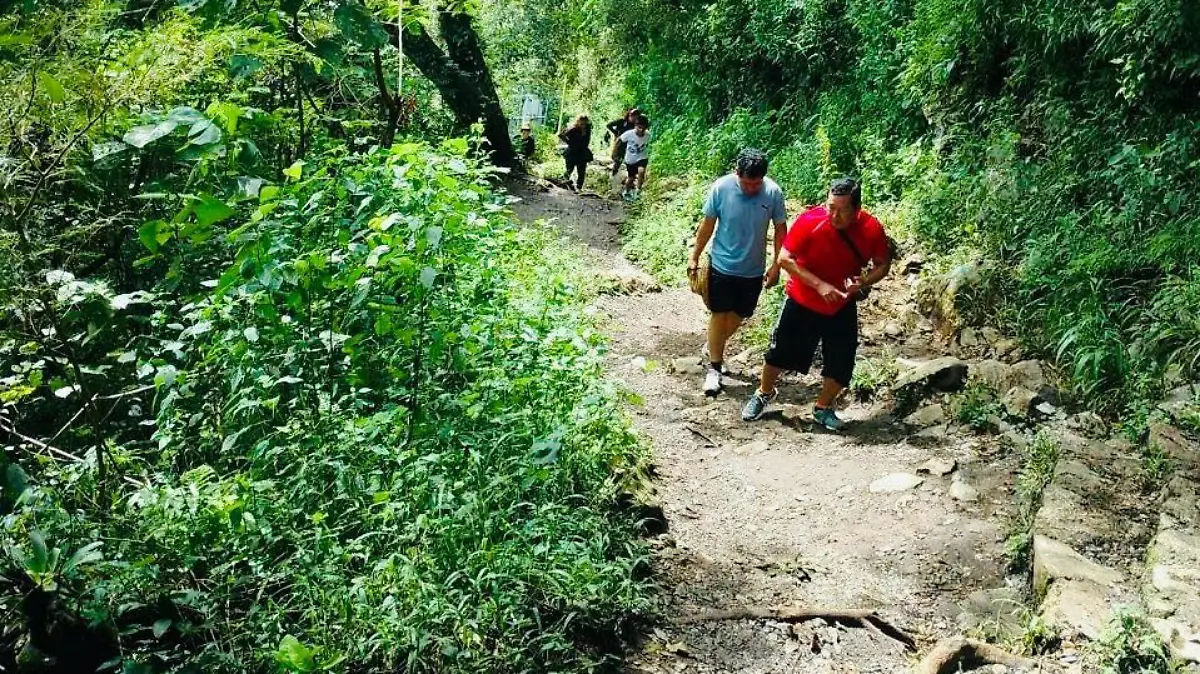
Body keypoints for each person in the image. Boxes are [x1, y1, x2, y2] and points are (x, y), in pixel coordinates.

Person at [741, 177, 893, 430]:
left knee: (841, 362)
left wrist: (864, 281)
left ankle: (823, 407)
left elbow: (882, 264)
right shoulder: (811, 221)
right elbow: (785, 259)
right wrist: (819, 285)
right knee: (778, 353)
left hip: (841, 305)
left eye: (842, 210)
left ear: (857, 209)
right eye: (830, 207)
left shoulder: (871, 229)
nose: (834, 215)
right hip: (802, 299)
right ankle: (764, 392)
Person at [688, 148, 788, 395]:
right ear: (737, 174)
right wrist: (694, 256)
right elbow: (708, 225)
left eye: (756, 183)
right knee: (719, 313)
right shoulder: (721, 188)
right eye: (746, 183)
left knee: (740, 314)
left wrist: (777, 265)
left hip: (753, 269)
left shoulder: (773, 193)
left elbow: (780, 230)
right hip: (722, 264)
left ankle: (713, 346)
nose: (751, 188)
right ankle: (714, 368)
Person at [619, 115, 651, 200]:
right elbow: (619, 141)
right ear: (635, 126)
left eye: (643, 128)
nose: (641, 130)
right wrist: (615, 153)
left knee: (641, 171)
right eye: (639, 128)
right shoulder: (629, 134)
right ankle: (626, 191)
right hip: (630, 159)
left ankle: (638, 191)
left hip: (642, 157)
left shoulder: (648, 135)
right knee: (631, 178)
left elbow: (648, 145)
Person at [558, 115, 592, 191]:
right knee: (569, 170)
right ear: (578, 122)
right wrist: (570, 142)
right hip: (572, 152)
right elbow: (561, 135)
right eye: (582, 123)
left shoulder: (588, 129)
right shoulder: (573, 129)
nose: (583, 125)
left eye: (585, 123)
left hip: (582, 153)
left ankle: (579, 188)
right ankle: (564, 184)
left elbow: (587, 140)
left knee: (581, 172)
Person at [606, 107, 639, 177]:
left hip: (629, 144)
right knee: (617, 159)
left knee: (629, 161)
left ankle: (630, 178)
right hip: (619, 143)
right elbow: (609, 125)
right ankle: (614, 174)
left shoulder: (635, 125)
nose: (634, 119)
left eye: (636, 117)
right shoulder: (621, 121)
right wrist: (616, 132)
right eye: (633, 116)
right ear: (629, 116)